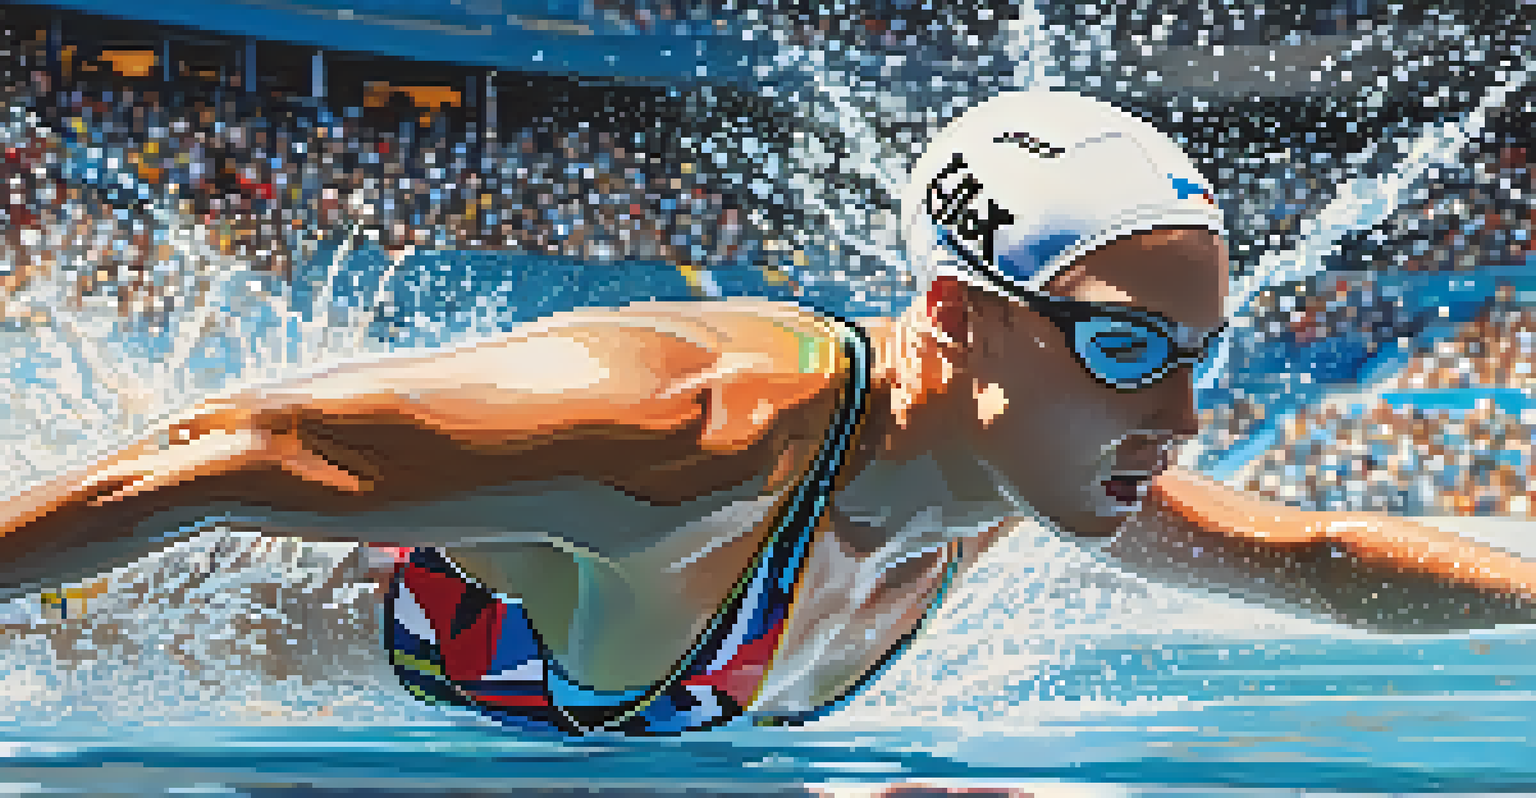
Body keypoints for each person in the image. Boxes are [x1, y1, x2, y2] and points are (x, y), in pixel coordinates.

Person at [2, 90, 1533, 736]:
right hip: (138, 615)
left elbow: (1315, 552)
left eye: (1203, 351)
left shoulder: (1010, 470)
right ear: (956, 317)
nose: (1188, 413)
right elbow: (231, 457)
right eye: (1135, 350)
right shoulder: (695, 430)